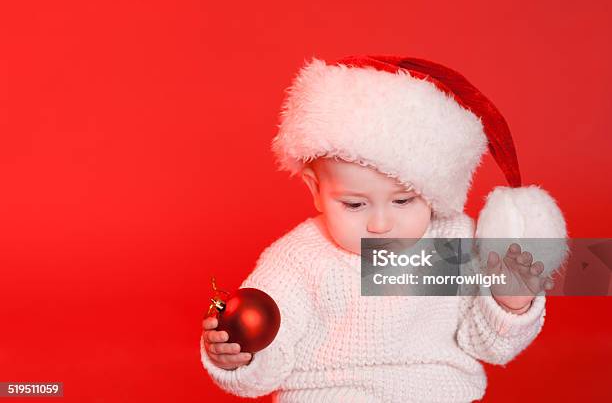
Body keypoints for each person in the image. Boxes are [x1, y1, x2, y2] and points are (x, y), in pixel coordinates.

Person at [201, 56, 568, 402]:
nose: (379, 224)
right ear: (316, 189)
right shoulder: (298, 261)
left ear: (434, 190)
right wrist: (240, 355)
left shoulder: (454, 244)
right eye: (354, 204)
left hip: (439, 392)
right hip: (333, 393)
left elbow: (487, 345)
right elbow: (269, 360)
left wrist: (509, 304)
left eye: (404, 201)